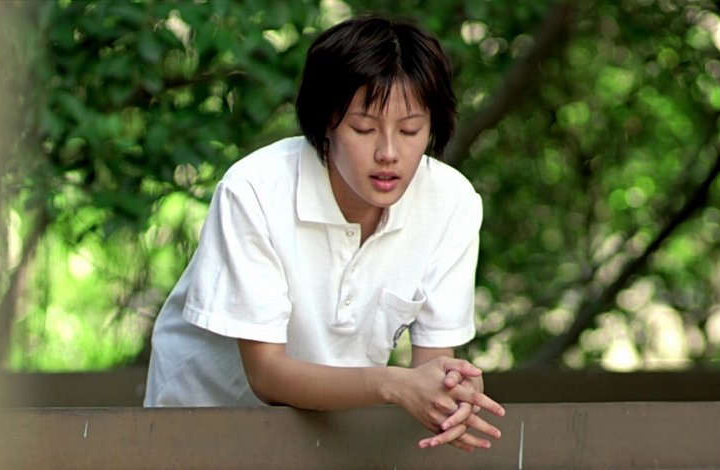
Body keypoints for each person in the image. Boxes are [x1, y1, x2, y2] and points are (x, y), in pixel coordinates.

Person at [144, 14, 505, 451]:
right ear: (324, 125)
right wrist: (393, 384)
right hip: (198, 433)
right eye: (364, 129)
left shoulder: (451, 202)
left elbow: (432, 368)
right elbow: (266, 375)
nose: (388, 152)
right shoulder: (255, 190)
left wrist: (452, 389)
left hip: (331, 433)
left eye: (410, 130)